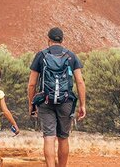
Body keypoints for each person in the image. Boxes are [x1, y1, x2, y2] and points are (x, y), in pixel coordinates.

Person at [28, 27, 86, 167]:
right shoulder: (71, 56)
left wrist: (32, 103)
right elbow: (80, 82)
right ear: (62, 40)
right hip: (66, 102)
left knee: (49, 137)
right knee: (63, 138)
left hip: (45, 101)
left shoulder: (41, 55)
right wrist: (82, 105)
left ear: (48, 40)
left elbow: (31, 84)